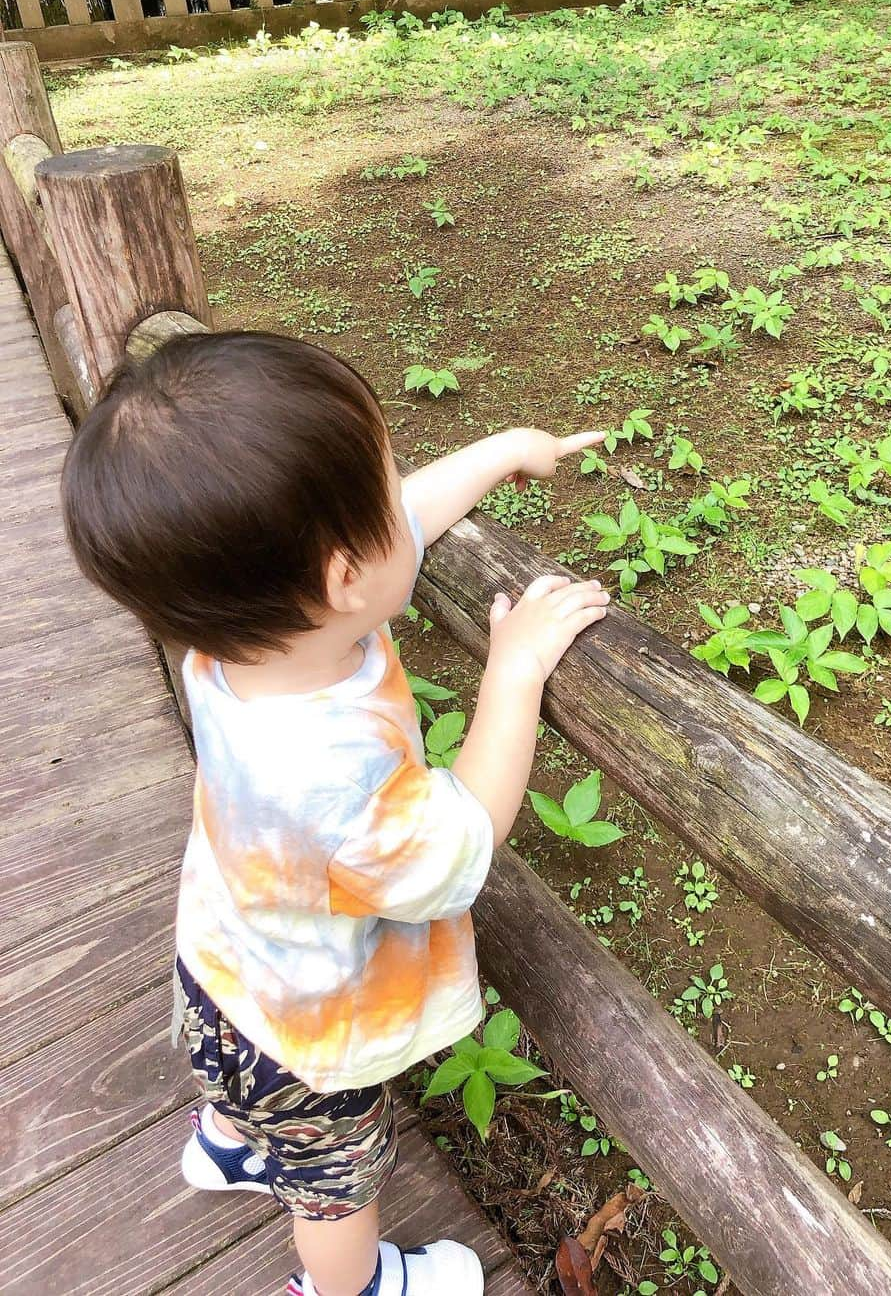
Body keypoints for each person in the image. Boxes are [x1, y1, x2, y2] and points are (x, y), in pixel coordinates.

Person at [61, 330, 608, 1296]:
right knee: (335, 1191)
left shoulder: (230, 641)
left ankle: (228, 1147)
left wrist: (501, 448)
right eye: (385, 474)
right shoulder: (332, 778)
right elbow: (456, 846)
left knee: (240, 1093)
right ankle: (348, 1287)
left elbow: (392, 526)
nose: (401, 491)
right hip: (307, 1045)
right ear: (343, 578)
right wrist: (514, 668)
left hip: (221, 974)